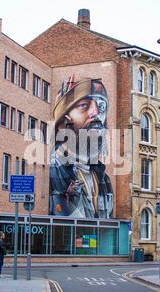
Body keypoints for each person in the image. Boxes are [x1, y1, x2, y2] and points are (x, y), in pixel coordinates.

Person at [49, 77, 114, 219]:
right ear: (63, 123)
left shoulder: (102, 176)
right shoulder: (55, 169)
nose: (96, 113)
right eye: (84, 106)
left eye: (101, 107)